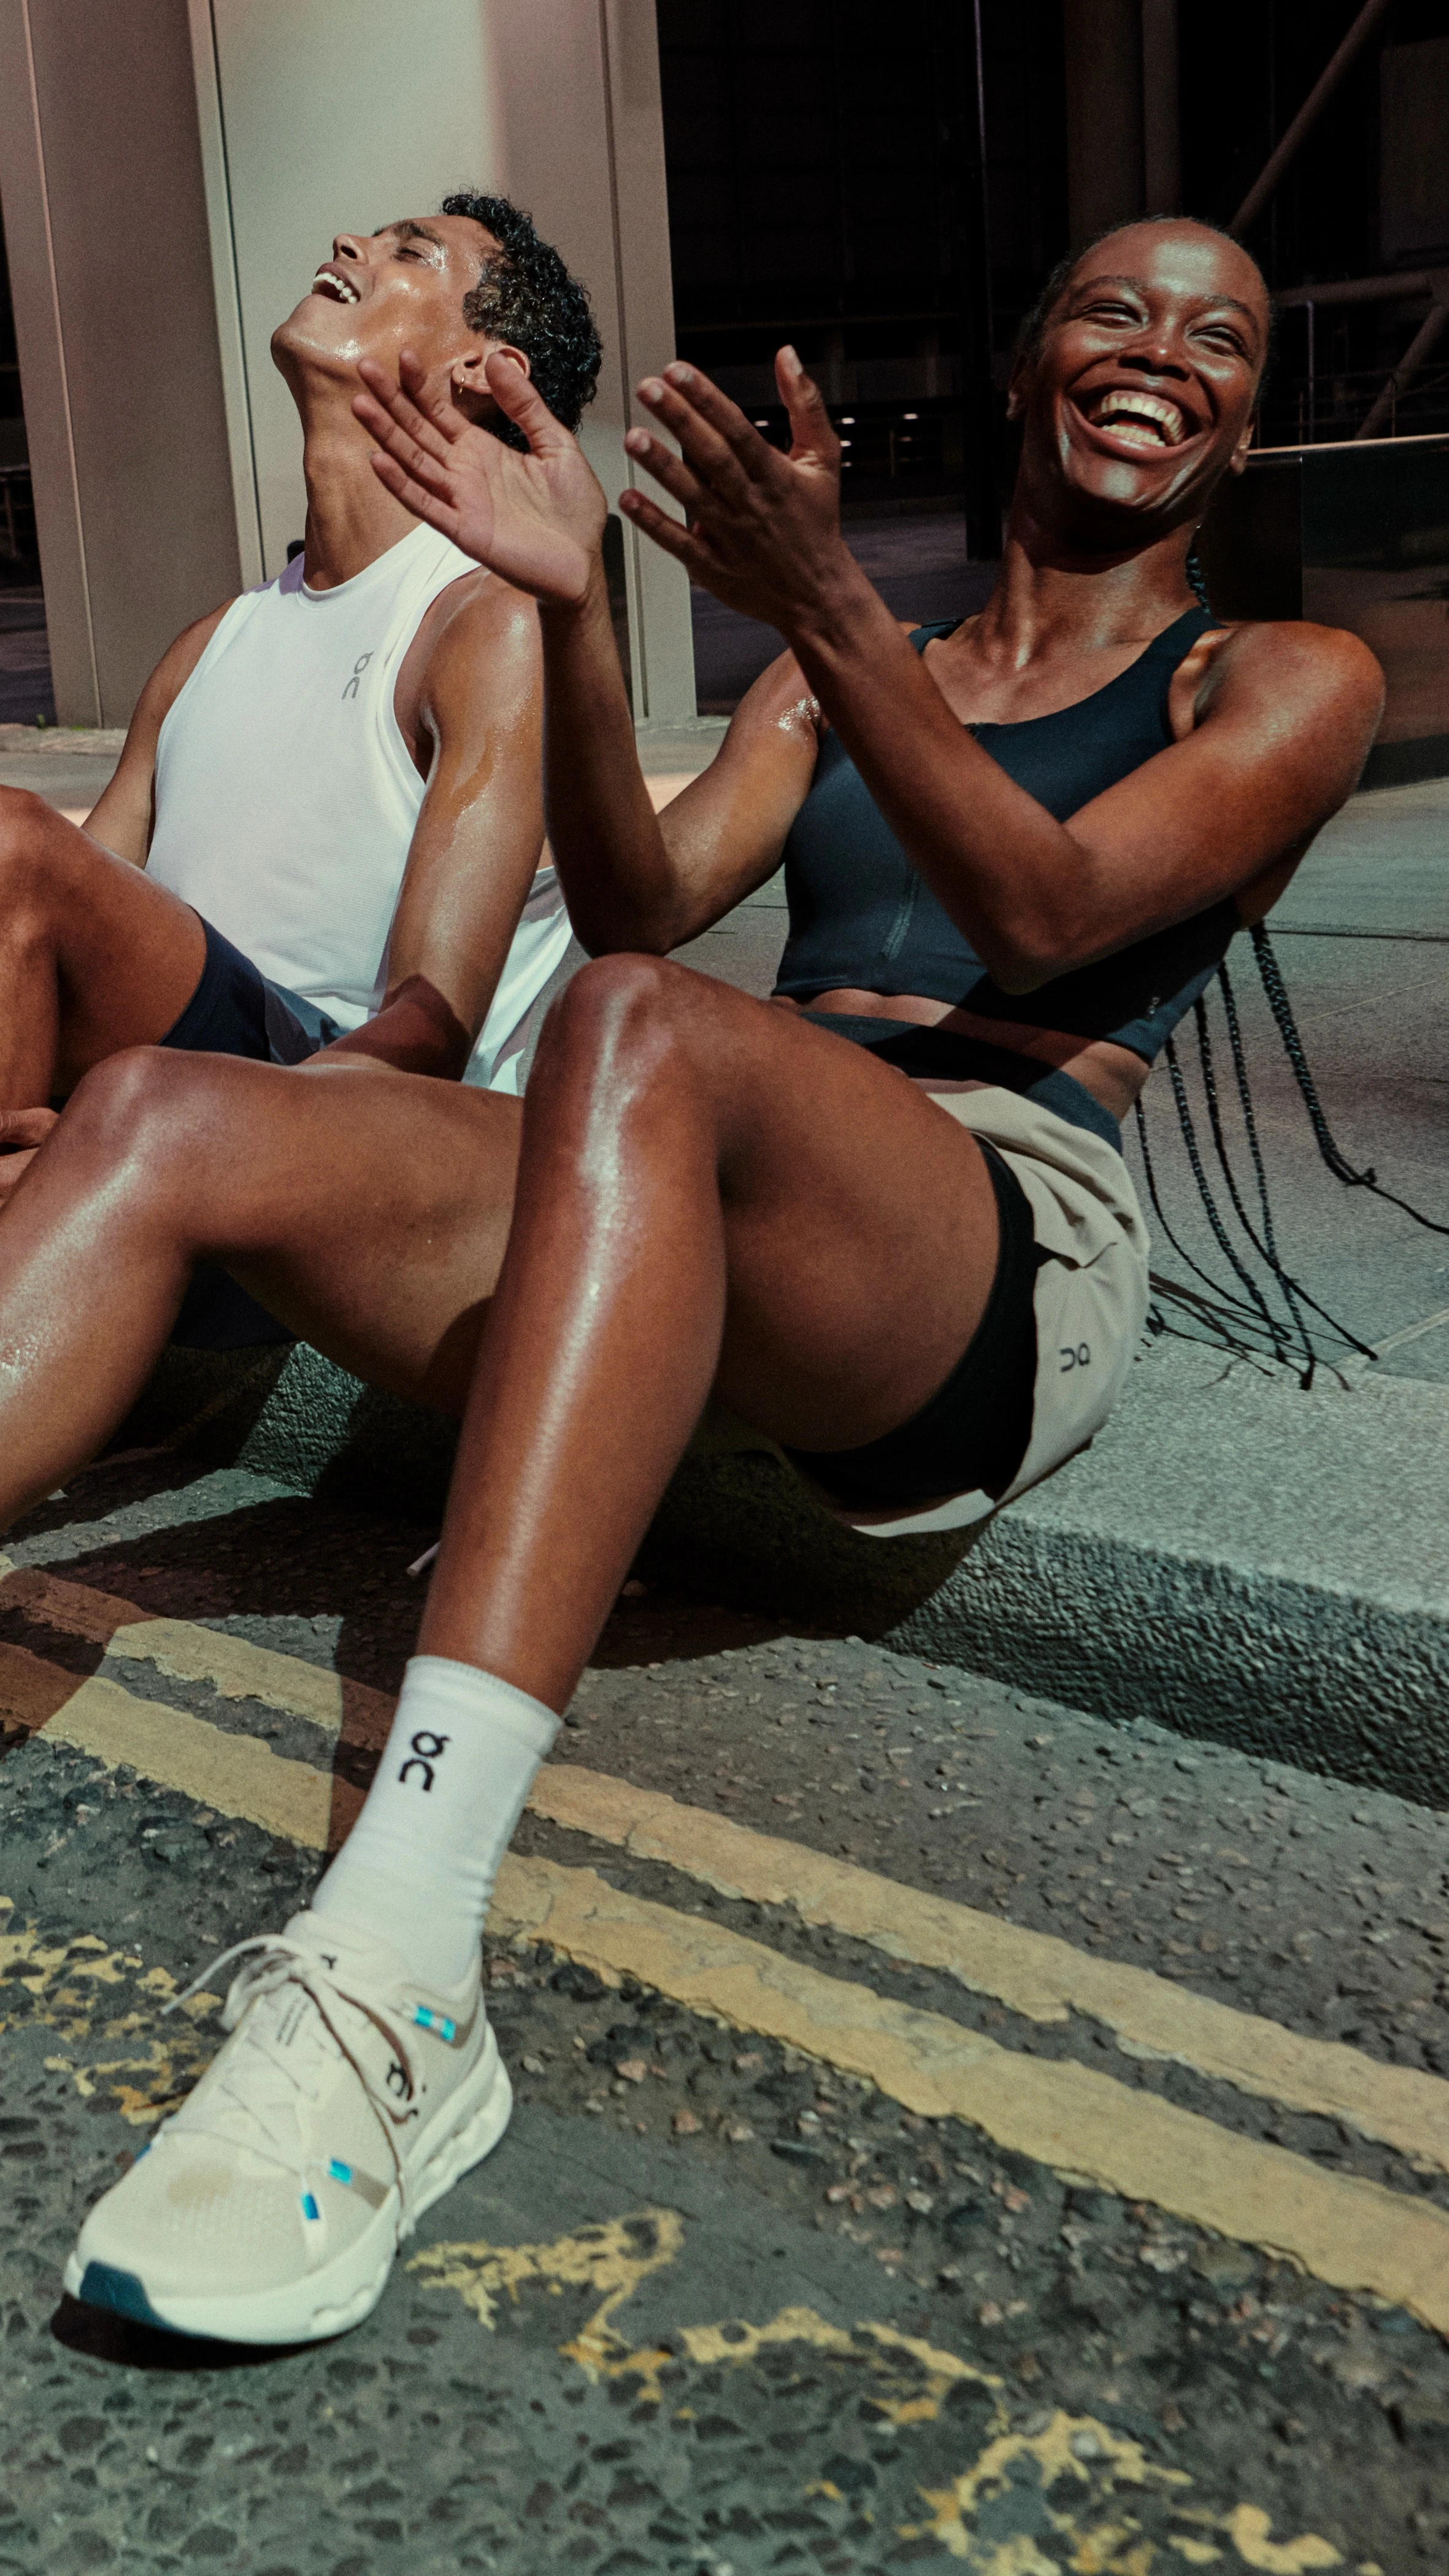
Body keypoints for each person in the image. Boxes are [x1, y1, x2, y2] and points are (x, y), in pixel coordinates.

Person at [0, 219, 1380, 2343]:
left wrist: (825, 609)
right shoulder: (847, 668)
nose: (1159, 355)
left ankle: (397, 1973)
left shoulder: (1280, 678)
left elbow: (1041, 912)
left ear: (1248, 421)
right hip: (693, 1174)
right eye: (1114, 311)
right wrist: (576, 615)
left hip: (989, 1232)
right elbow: (637, 885)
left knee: (636, 1028)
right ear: (1031, 364)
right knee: (162, 1116)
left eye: (1219, 339)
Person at [0, 194, 601, 1283]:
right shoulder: (208, 644)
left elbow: (431, 1033)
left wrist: (150, 1132)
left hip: (335, 1122)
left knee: (6, 839)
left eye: (408, 251)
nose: (347, 246)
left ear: (482, 366)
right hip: (154, 1093)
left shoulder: (481, 624)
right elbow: (51, 926)